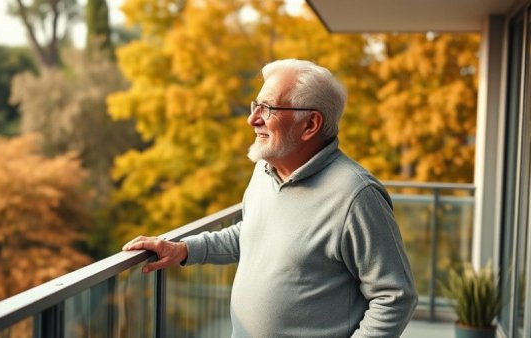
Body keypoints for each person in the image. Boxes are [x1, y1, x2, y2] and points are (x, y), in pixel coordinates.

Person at [122, 59, 418, 337]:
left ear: (311, 124)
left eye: (267, 108)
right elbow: (251, 232)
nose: (252, 119)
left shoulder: (356, 195)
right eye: (255, 106)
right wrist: (184, 250)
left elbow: (395, 296)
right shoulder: (266, 170)